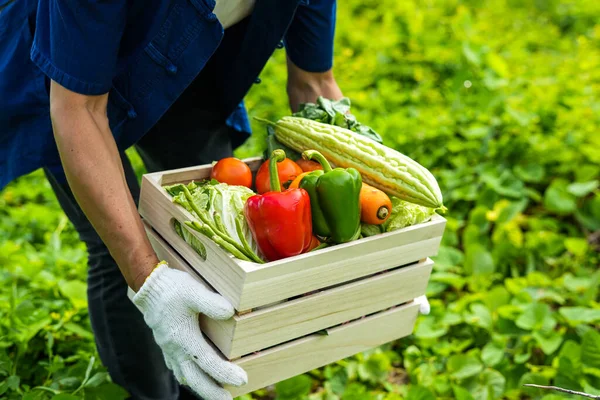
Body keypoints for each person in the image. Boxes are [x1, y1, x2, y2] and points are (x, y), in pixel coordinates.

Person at [0, 0, 343, 398]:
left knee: (213, 230)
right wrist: (150, 282)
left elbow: (314, 83)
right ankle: (150, 394)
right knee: (117, 251)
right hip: (68, 71)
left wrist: (378, 238)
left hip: (181, 61)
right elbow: (78, 110)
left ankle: (208, 384)